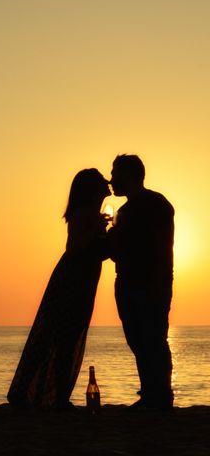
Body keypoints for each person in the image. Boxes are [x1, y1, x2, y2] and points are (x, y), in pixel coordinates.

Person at [8, 169, 110, 409]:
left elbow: (95, 251)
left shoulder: (91, 215)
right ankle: (48, 397)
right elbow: (74, 248)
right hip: (73, 280)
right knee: (61, 338)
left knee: (63, 337)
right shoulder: (84, 214)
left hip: (83, 280)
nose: (108, 184)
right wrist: (97, 229)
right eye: (101, 182)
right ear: (91, 190)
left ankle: (46, 395)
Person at [107, 154, 174, 410]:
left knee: (154, 340)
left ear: (131, 175)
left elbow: (163, 247)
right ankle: (149, 394)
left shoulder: (156, 204)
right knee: (137, 340)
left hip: (150, 284)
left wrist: (160, 282)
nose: (112, 179)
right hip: (125, 283)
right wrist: (109, 235)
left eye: (116, 174)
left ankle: (161, 397)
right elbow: (116, 253)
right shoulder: (122, 212)